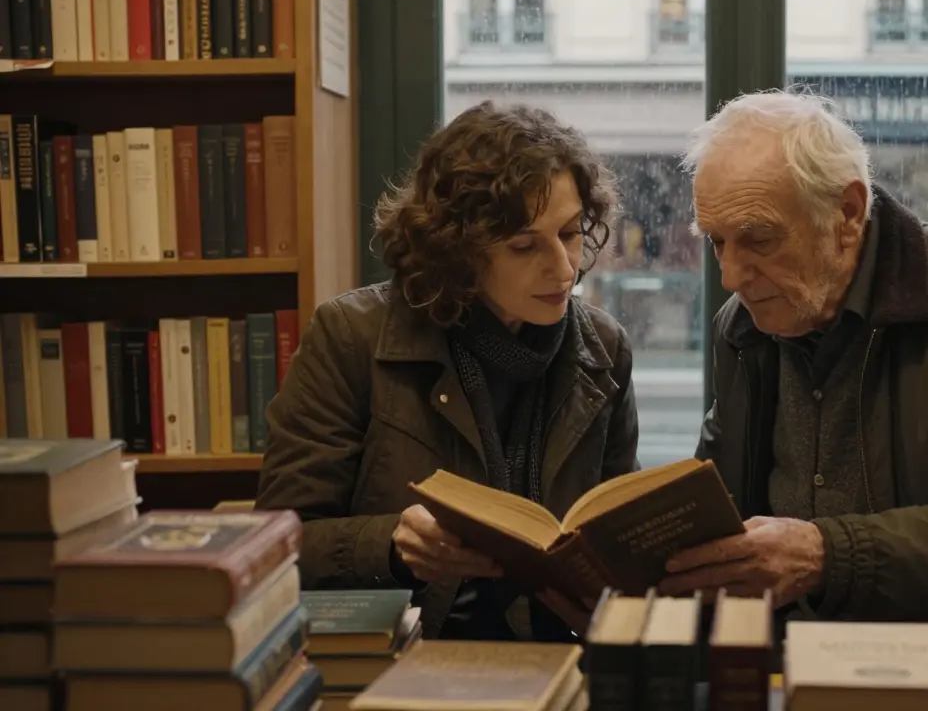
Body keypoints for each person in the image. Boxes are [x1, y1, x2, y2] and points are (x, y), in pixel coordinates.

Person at [657, 89, 928, 669]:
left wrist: (826, 555)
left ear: (847, 215)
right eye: (716, 242)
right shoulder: (743, 328)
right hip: (773, 668)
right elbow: (727, 510)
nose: (732, 275)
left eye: (758, 239)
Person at [255, 101, 640, 643]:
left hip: (560, 650)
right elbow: (276, 544)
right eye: (525, 245)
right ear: (458, 250)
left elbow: (618, 530)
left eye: (572, 233)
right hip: (405, 652)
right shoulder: (350, 337)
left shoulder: (604, 347)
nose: (563, 268)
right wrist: (390, 542)